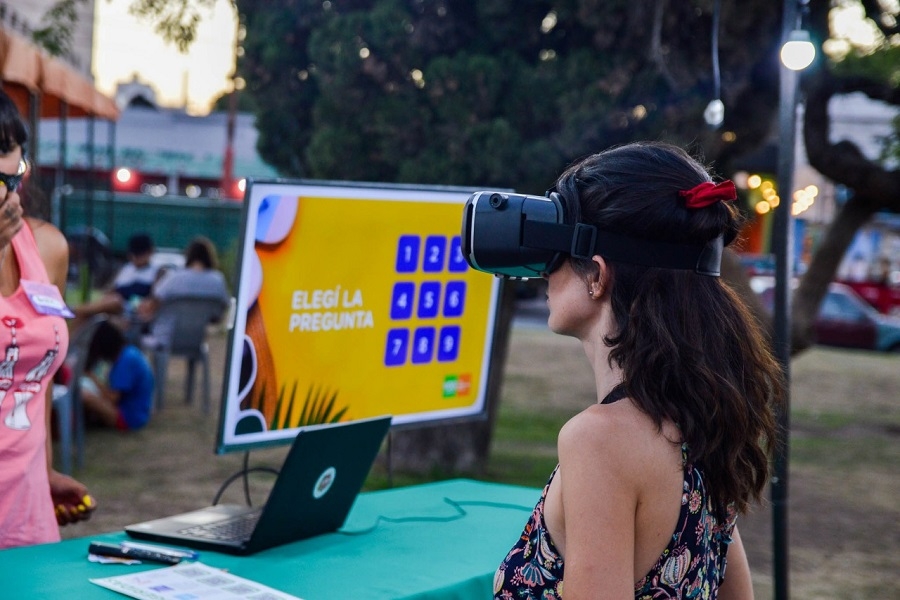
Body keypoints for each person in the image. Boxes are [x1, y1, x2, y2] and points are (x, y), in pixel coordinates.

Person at [492, 142, 784, 598]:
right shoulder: (700, 426)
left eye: (555, 253)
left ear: (598, 275)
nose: (543, 273)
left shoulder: (599, 441)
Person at [0, 89, 96, 548]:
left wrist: (45, 469)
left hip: (26, 511)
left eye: (3, 147)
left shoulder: (48, 246)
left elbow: (36, 383)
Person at [136, 235, 230, 322]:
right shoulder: (218, 279)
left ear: (189, 255)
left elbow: (153, 303)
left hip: (168, 335)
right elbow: (225, 305)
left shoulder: (175, 278)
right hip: (202, 334)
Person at [72, 232, 159, 326]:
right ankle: (72, 338)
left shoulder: (156, 271)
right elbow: (110, 290)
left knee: (116, 301)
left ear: (149, 253)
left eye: (140, 255)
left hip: (135, 308)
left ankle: (74, 309)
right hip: (114, 307)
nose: (136, 258)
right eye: (134, 254)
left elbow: (154, 298)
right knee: (84, 315)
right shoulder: (126, 269)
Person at [80, 321, 153, 431]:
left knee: (83, 394)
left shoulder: (126, 360)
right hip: (135, 412)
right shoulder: (128, 352)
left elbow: (112, 398)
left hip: (128, 418)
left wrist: (92, 377)